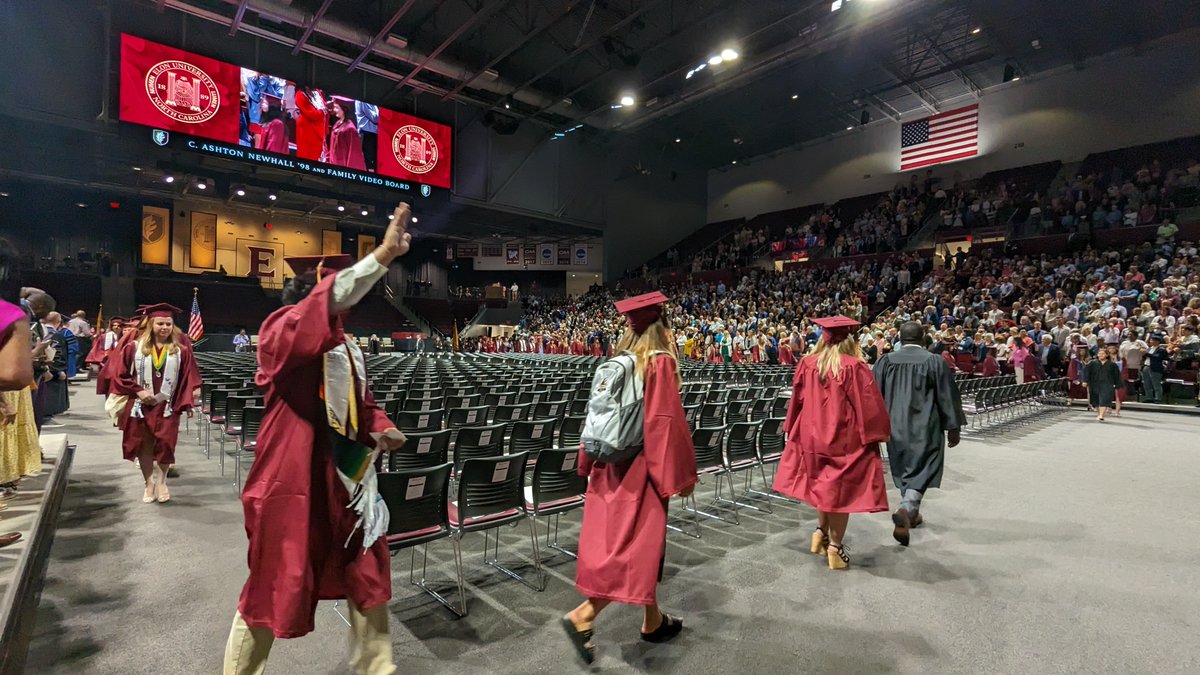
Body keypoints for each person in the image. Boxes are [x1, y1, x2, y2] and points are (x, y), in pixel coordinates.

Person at [222, 203, 414, 675]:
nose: (347, 302)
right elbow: (318, 314)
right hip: (294, 479)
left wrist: (380, 425)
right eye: (335, 291)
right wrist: (383, 256)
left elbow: (361, 401)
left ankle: (378, 669)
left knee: (368, 572)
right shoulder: (280, 331)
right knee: (275, 581)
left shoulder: (346, 345)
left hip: (346, 476)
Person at [562, 291, 697, 665]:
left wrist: (585, 463)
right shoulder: (659, 363)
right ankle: (583, 616)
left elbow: (593, 417)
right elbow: (664, 424)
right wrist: (677, 476)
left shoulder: (616, 362)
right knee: (634, 549)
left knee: (637, 547)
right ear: (663, 326)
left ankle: (652, 622)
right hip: (642, 470)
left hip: (608, 468)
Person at [773, 316, 891, 570]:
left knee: (822, 486)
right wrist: (877, 433)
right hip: (843, 438)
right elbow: (867, 405)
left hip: (811, 436)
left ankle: (820, 533)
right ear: (849, 339)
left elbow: (797, 401)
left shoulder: (807, 363)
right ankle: (835, 549)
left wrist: (791, 428)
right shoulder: (854, 366)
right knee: (839, 493)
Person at [872, 321, 965, 546]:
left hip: (894, 425)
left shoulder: (884, 361)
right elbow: (946, 395)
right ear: (923, 339)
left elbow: (872, 396)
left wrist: (874, 427)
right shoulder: (934, 362)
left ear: (900, 340)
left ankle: (911, 513)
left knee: (905, 466)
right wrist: (953, 426)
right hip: (927, 425)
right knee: (927, 463)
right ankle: (908, 507)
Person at [108, 304, 201, 503]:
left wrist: (191, 396)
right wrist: (138, 391)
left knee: (166, 445)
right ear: (151, 325)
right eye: (160, 323)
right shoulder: (134, 348)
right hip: (140, 406)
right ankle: (149, 483)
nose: (164, 327)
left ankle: (162, 481)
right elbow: (120, 374)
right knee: (144, 446)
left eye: (168, 323)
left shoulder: (181, 350)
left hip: (168, 406)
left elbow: (189, 376)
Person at [327, 96, 367, 171]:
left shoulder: (350, 129)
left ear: (344, 109)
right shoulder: (337, 124)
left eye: (337, 107)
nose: (334, 110)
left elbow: (354, 155)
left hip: (342, 169)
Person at [1083, 347, 1122, 422]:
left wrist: (1117, 384)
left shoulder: (1112, 365)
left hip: (1107, 384)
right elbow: (1086, 373)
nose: (1100, 355)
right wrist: (1085, 381)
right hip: (1094, 384)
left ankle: (1101, 415)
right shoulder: (1092, 363)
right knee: (1096, 400)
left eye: (1102, 354)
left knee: (1104, 399)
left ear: (1107, 355)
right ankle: (1099, 413)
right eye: (1099, 353)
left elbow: (1116, 375)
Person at [293, 86, 328, 161]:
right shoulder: (300, 94)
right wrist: (324, 111)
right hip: (307, 129)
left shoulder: (317, 91)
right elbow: (311, 114)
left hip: (319, 128)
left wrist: (326, 108)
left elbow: (324, 105)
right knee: (307, 156)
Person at [1141, 333, 1169, 403]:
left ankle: (1158, 398)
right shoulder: (1150, 348)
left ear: (1157, 341)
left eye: (1153, 340)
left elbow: (1157, 357)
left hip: (1155, 367)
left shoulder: (1161, 350)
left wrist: (1146, 353)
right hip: (1147, 366)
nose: (1151, 341)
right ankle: (1149, 397)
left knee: (1156, 383)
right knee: (1146, 383)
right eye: (1151, 340)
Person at [355, 101, 379, 172]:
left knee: (372, 161)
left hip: (370, 135)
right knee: (369, 162)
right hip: (367, 135)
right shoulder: (364, 101)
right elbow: (375, 118)